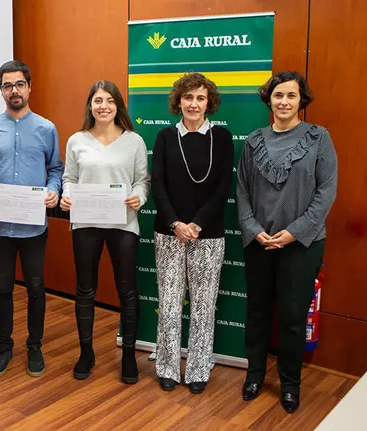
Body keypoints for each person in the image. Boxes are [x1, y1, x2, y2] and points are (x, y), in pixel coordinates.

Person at [237, 71, 337, 414]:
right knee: (258, 312)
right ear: (269, 99)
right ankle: (254, 375)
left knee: (294, 317)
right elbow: (242, 192)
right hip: (259, 242)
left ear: (301, 101)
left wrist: (294, 232)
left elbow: (326, 194)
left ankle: (290, 385)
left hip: (301, 245)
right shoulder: (254, 141)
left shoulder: (318, 138)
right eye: (278, 95)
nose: (284, 102)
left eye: (291, 96)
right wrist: (253, 228)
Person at [60, 80, 150, 383]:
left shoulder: (134, 141)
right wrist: (67, 194)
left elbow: (142, 181)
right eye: (98, 100)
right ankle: (86, 352)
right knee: (85, 289)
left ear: (118, 106)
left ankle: (128, 355)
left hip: (123, 223)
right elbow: (69, 177)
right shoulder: (76, 140)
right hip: (85, 223)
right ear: (90, 105)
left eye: (109, 101)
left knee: (127, 291)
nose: (103, 106)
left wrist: (140, 197)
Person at [0, 60, 64, 378]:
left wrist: (53, 191)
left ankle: (35, 346)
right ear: (0, 90)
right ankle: (4, 347)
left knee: (35, 286)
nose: (13, 90)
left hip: (33, 224)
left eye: (18, 84)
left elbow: (56, 169)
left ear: (29, 87)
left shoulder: (46, 128)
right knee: (2, 288)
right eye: (6, 85)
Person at [151, 72, 234, 394]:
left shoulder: (223, 138)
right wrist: (176, 223)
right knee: (170, 305)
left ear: (208, 102)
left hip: (208, 235)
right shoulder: (164, 137)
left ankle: (199, 368)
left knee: (203, 306)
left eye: (200, 98)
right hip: (169, 233)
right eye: (188, 97)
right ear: (179, 101)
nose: (194, 104)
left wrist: (197, 224)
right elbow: (158, 183)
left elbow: (223, 187)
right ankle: (168, 367)